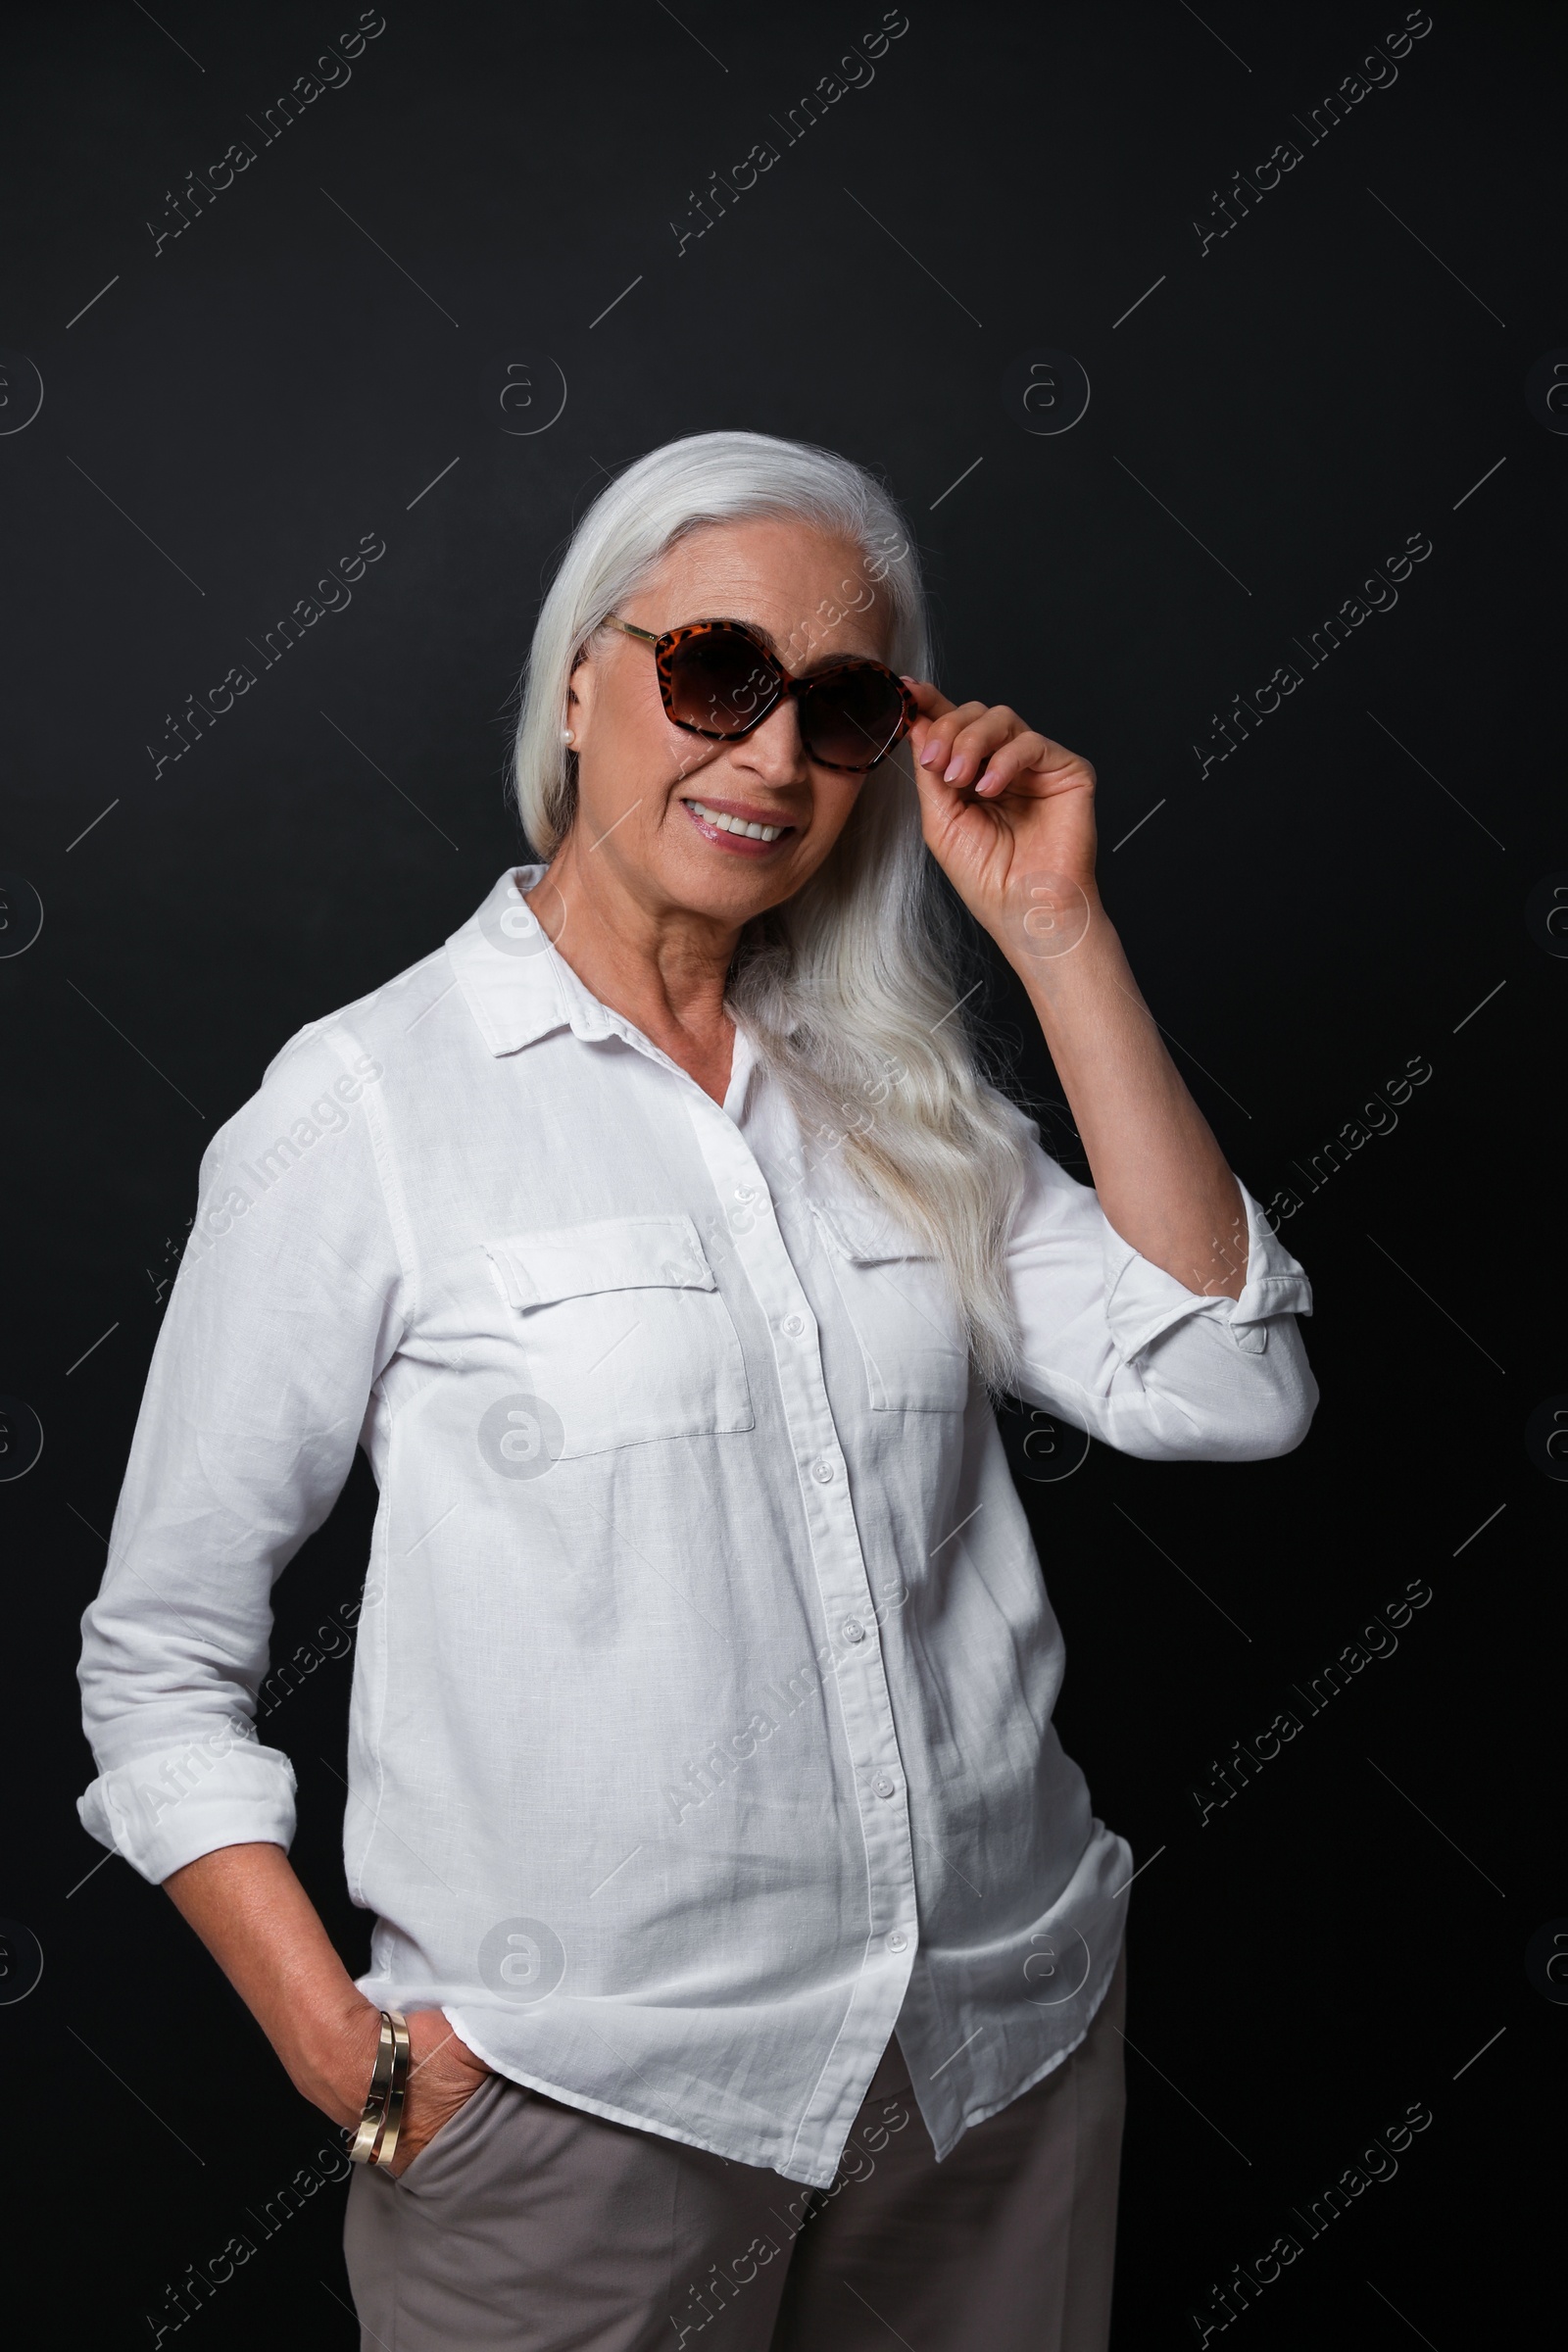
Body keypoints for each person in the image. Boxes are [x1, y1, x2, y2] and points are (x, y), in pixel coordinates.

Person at [77, 430, 1315, 2350]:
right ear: (582, 677)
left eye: (835, 708)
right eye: (713, 674)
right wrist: (345, 2048)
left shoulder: (903, 1099)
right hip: (580, 2118)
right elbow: (157, 1653)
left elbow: (1229, 1386)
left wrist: (1055, 936)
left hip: (991, 2063)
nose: (764, 755)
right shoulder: (368, 1105)